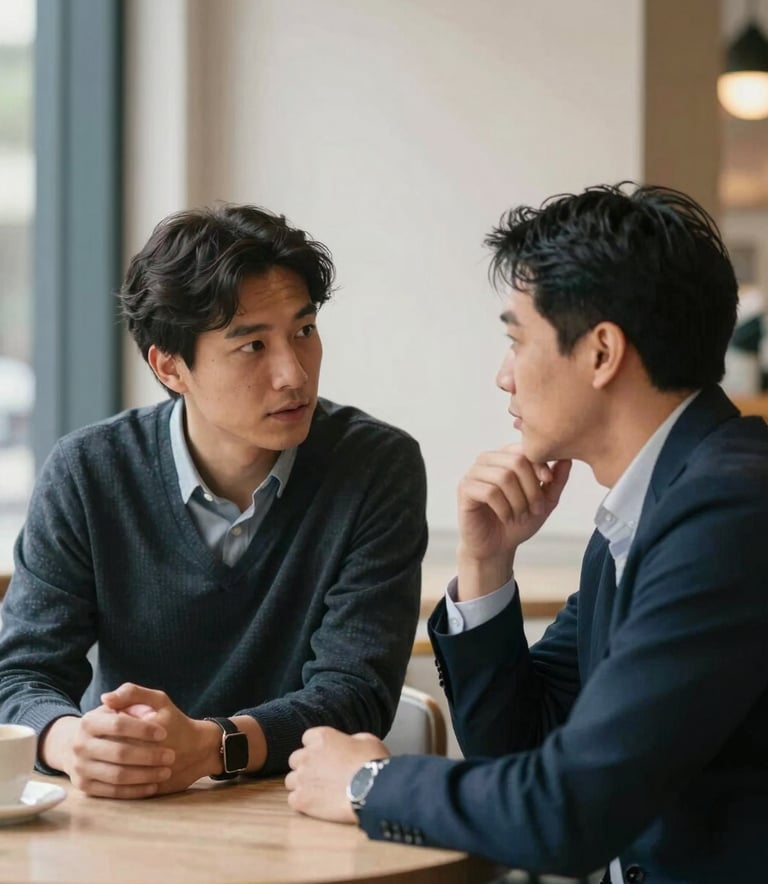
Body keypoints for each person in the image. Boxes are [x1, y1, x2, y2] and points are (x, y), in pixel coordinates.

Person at [285, 183, 768, 883]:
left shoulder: (728, 513)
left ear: (602, 353)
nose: (503, 377)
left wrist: (370, 786)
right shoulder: (645, 515)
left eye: (516, 339)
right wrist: (487, 562)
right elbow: (520, 751)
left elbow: (568, 811)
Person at [0, 204, 427, 799]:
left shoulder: (376, 466)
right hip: (132, 813)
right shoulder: (88, 471)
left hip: (298, 815)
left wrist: (212, 745)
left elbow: (355, 693)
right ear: (171, 367)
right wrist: (73, 742)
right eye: (253, 346)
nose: (294, 374)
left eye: (304, 331)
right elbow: (23, 673)